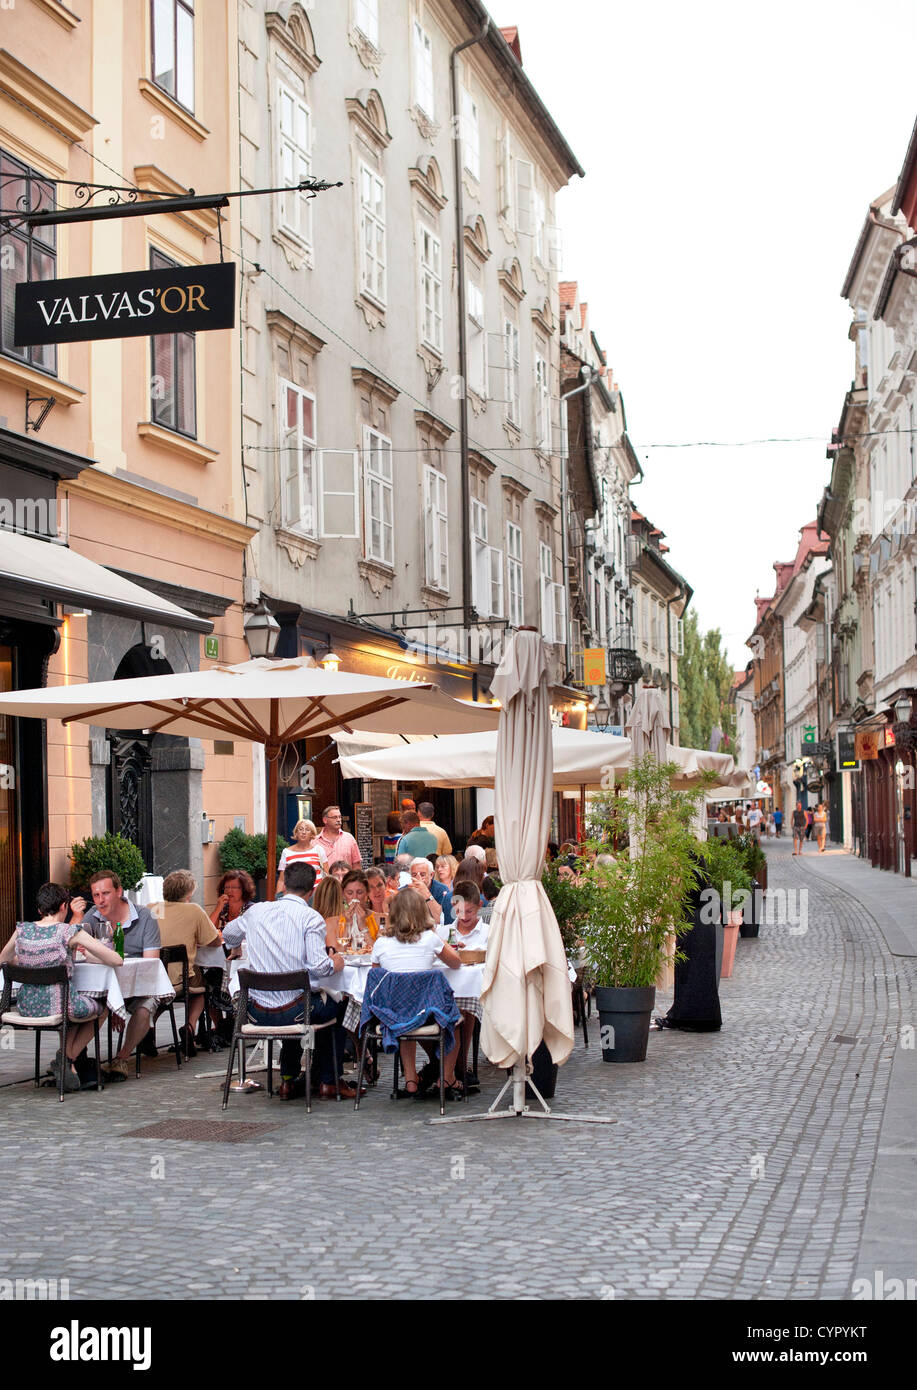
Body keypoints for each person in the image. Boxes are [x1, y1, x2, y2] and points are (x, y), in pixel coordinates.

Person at [222, 861, 362, 1101]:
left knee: (299, 1000)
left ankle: (288, 1079)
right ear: (311, 891)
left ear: (284, 885)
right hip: (298, 1012)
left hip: (255, 1012)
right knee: (340, 1005)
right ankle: (329, 1080)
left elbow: (228, 935)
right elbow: (320, 968)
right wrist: (336, 963)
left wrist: (247, 939)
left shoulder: (256, 912)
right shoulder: (311, 918)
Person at [0, 882, 123, 1091]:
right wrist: (88, 954)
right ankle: (66, 1058)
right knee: (104, 1005)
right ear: (64, 906)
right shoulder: (69, 932)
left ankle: (67, 1063)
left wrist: (30, 961)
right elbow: (116, 960)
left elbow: (3, 958)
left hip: (27, 1007)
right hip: (60, 1006)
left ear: (39, 910)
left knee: (75, 1007)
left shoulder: (22, 930)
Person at [369, 888, 463, 1096]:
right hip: (426, 1013)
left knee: (402, 1012)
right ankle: (447, 1077)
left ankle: (411, 1079)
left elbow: (377, 978)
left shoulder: (381, 943)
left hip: (392, 1014)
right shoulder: (430, 938)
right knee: (455, 1021)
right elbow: (456, 962)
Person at [74, 871, 162, 1082]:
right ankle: (75, 1057)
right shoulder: (92, 917)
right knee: (78, 1000)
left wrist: (120, 998)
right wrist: (114, 998)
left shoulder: (145, 916)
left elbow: (151, 964)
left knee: (144, 1007)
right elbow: (75, 947)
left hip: (140, 985)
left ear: (119, 891)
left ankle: (122, 1057)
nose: (100, 900)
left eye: (105, 893)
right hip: (103, 985)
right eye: (96, 895)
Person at [155, 870, 223, 1056]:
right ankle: (190, 1026)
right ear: (188, 893)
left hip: (155, 975)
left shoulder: (154, 907)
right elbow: (214, 941)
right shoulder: (193, 910)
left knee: (162, 997)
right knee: (200, 989)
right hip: (180, 978)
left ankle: (149, 1027)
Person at [655, 853, 721, 1033]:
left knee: (692, 968)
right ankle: (696, 1015)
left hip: (694, 919)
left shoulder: (685, 858)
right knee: (696, 969)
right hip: (700, 917)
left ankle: (691, 1016)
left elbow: (681, 889)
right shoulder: (692, 857)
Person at [449, 880, 490, 1086]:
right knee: (455, 1007)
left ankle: (460, 1063)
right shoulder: (445, 932)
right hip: (447, 991)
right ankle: (450, 1065)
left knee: (465, 1006)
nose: (464, 917)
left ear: (479, 906)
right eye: (459, 912)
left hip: (476, 991)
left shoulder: (488, 932)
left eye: (470, 912)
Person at [277, 819, 324, 894]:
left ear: (312, 834)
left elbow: (326, 875)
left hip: (316, 895)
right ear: (296, 832)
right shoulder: (286, 852)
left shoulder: (319, 850)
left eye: (307, 830)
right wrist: (278, 897)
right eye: (301, 829)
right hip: (294, 894)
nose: (303, 832)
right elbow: (281, 880)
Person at [340, 870, 381, 944]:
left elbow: (380, 953)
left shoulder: (382, 919)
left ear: (367, 893)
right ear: (343, 895)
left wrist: (363, 927)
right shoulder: (332, 922)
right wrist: (348, 925)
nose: (354, 897)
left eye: (359, 892)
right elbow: (340, 952)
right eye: (350, 893)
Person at [315, 804, 362, 870]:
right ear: (325, 820)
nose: (338, 820)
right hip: (324, 880)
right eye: (335, 817)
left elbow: (356, 864)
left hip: (346, 880)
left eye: (340, 817)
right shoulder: (315, 842)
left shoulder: (349, 838)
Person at [409, 856, 451, 927]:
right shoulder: (406, 890)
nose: (418, 878)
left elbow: (439, 919)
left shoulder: (441, 889)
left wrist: (426, 893)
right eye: (414, 875)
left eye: (422, 875)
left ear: (431, 875)